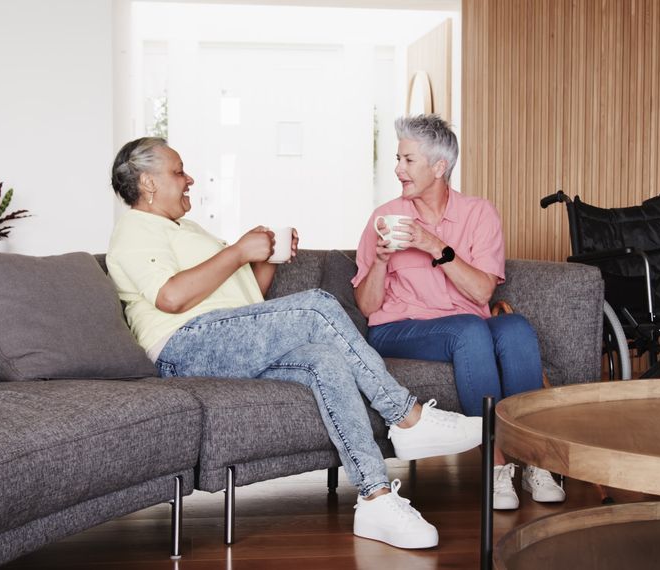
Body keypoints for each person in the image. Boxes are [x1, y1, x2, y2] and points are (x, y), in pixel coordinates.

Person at [105, 136, 482, 549]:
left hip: (226, 339)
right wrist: (236, 252)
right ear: (148, 183)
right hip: (183, 347)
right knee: (316, 307)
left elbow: (250, 302)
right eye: (178, 172)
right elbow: (171, 298)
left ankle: (375, 498)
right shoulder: (136, 230)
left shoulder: (187, 229)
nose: (189, 178)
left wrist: (263, 261)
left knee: (324, 360)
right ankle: (405, 416)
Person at [353, 115, 566, 510]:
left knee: (516, 328)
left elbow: (484, 289)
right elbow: (367, 307)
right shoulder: (384, 217)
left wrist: (436, 246)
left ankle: (537, 460)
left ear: (439, 167)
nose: (398, 169)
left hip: (469, 324)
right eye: (397, 159)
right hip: (400, 328)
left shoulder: (479, 213)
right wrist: (381, 261)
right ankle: (497, 466)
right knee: (469, 330)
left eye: (408, 160)